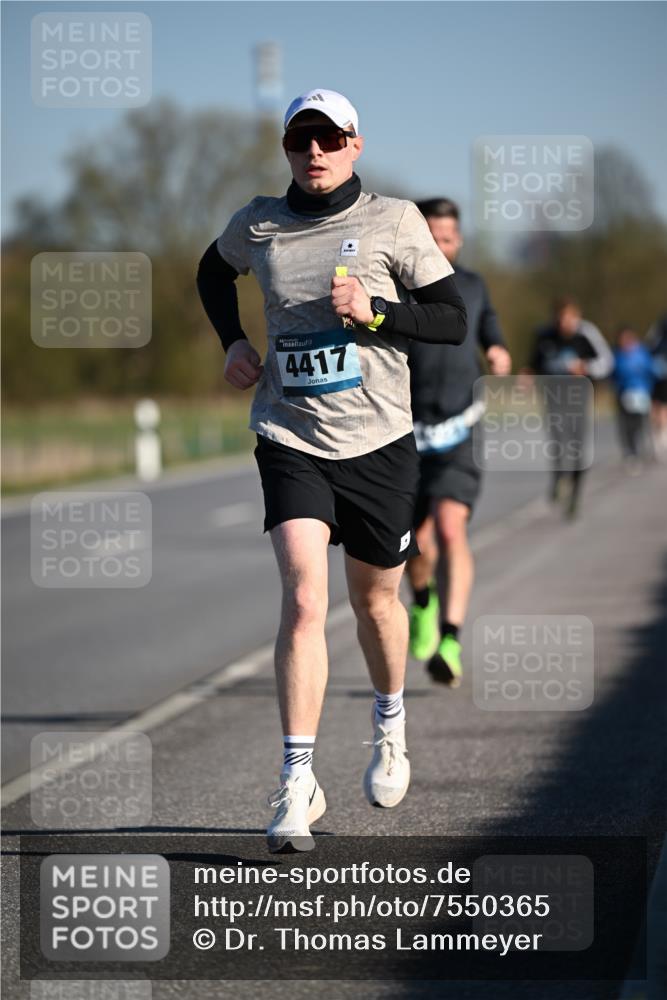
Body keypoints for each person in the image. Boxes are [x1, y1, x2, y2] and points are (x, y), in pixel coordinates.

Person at [196, 89, 466, 852]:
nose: (312, 152)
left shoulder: (394, 221)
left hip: (379, 440)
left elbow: (451, 320)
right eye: (299, 140)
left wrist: (377, 313)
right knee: (305, 596)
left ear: (354, 144)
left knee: (377, 603)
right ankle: (296, 778)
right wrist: (232, 341)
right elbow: (211, 274)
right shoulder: (257, 222)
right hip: (291, 433)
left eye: (328, 138)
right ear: (286, 148)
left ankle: (388, 723)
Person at [405, 198, 511, 686]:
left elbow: (489, 324)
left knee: (450, 529)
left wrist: (497, 348)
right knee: (414, 543)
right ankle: (422, 603)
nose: (441, 246)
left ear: (458, 239)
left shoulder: (472, 285)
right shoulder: (399, 286)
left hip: (458, 430)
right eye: (433, 238)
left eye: (448, 238)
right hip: (406, 434)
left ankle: (450, 638)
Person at [529, 297, 613, 518]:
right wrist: (526, 376)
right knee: (557, 442)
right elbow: (534, 363)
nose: (564, 323)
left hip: (578, 399)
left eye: (569, 318)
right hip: (553, 398)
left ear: (577, 317)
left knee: (577, 448)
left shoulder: (586, 333)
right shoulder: (545, 335)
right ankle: (558, 479)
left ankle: (575, 495)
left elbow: (607, 361)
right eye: (560, 318)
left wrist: (586, 367)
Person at [612, 325, 656, 470]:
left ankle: (645, 449)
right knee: (626, 426)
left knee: (641, 424)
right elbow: (613, 374)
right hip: (623, 395)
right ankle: (631, 453)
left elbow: (651, 371)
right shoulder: (617, 355)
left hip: (641, 394)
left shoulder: (642, 354)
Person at [645, 313, 667, 455]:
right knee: (655, 405)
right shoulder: (660, 325)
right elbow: (649, 345)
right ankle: (655, 435)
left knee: (664, 405)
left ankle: (663, 436)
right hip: (655, 372)